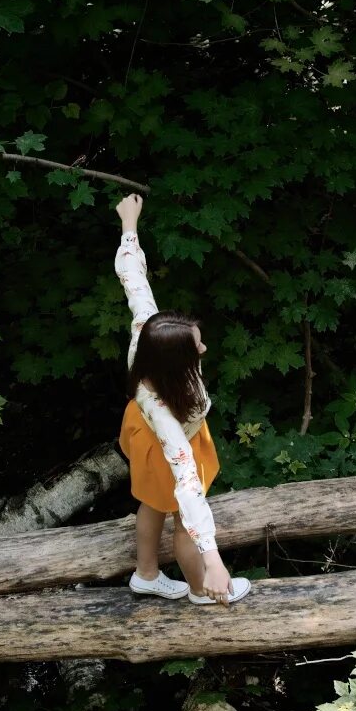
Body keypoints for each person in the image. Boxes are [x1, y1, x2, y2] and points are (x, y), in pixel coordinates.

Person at [113, 192, 252, 605]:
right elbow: (188, 487)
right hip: (168, 444)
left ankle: (146, 574)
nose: (204, 349)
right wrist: (214, 559)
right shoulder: (167, 413)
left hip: (140, 432)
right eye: (197, 348)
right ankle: (201, 589)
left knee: (151, 503)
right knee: (177, 512)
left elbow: (133, 279)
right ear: (176, 364)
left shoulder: (147, 333)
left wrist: (129, 228)